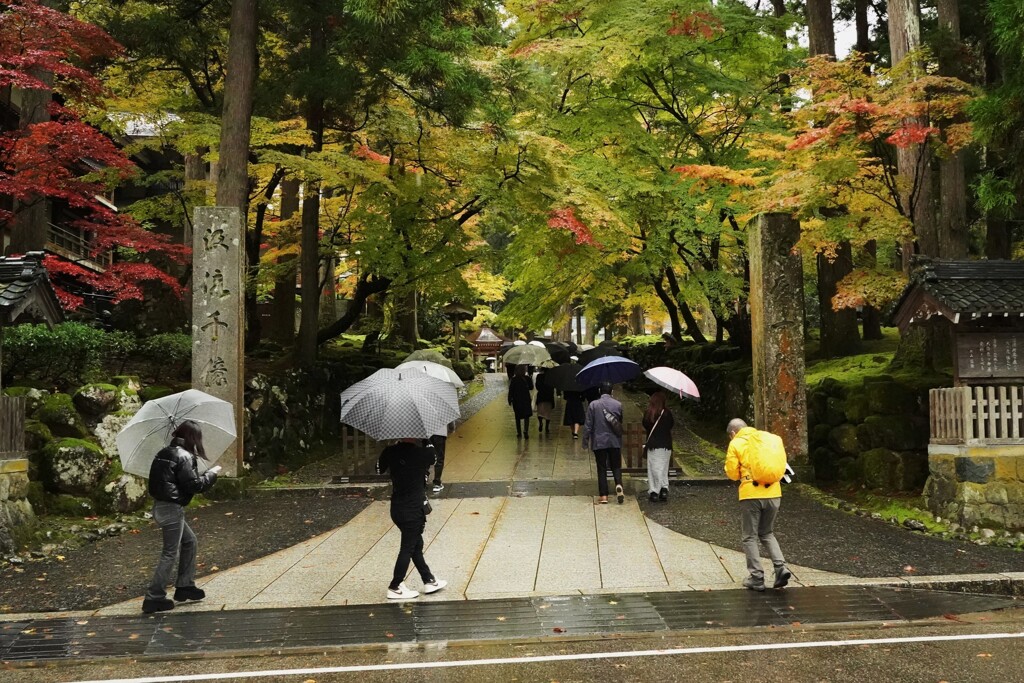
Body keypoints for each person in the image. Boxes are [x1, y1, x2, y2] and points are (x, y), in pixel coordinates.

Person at [143, 420, 220, 614]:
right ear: (193, 438)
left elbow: (176, 480)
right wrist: (211, 474)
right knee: (170, 552)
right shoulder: (184, 456)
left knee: (190, 541)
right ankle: (154, 597)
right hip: (171, 509)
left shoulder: (163, 453)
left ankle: (185, 586)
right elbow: (195, 486)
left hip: (161, 506)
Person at [725, 418, 792, 592]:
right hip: (774, 493)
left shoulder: (736, 443)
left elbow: (732, 473)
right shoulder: (767, 438)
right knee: (767, 533)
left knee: (749, 536)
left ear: (733, 433)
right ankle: (781, 567)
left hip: (751, 494)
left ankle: (756, 577)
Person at [377, 438, 447, 600]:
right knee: (408, 547)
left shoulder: (390, 451)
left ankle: (429, 580)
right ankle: (395, 586)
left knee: (416, 543)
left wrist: (391, 451)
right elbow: (435, 458)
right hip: (413, 509)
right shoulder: (423, 452)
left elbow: (379, 469)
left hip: (397, 507)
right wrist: (427, 441)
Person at [583, 382, 625, 504]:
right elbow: (619, 422)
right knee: (616, 465)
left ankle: (604, 496)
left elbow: (588, 425)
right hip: (614, 441)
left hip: (599, 441)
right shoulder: (618, 404)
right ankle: (618, 484)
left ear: (600, 391)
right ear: (611, 391)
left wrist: (585, 441)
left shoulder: (593, 405)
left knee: (601, 468)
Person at [642, 391, 675, 502]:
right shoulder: (667, 413)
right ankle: (664, 489)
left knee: (653, 469)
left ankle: (654, 491)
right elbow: (671, 425)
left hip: (653, 445)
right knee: (664, 468)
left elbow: (645, 425)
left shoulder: (649, 413)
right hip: (666, 445)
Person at [508, 364, 534, 438]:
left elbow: (511, 390)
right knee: (526, 415)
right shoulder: (527, 378)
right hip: (525, 399)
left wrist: (510, 399)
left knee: (518, 416)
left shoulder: (514, 379)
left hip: (517, 400)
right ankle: (525, 430)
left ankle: (519, 432)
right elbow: (531, 387)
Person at [429, 426, 450, 493]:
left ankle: (424, 479)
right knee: (439, 457)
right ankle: (437, 482)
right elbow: (451, 424)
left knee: (426, 456)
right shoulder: (442, 415)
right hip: (440, 433)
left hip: (428, 434)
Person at [535, 367, 556, 435]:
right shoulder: (551, 377)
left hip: (541, 396)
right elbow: (553, 386)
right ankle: (547, 426)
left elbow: (537, 386)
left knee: (540, 412)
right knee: (548, 413)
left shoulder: (539, 376)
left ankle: (540, 422)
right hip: (549, 397)